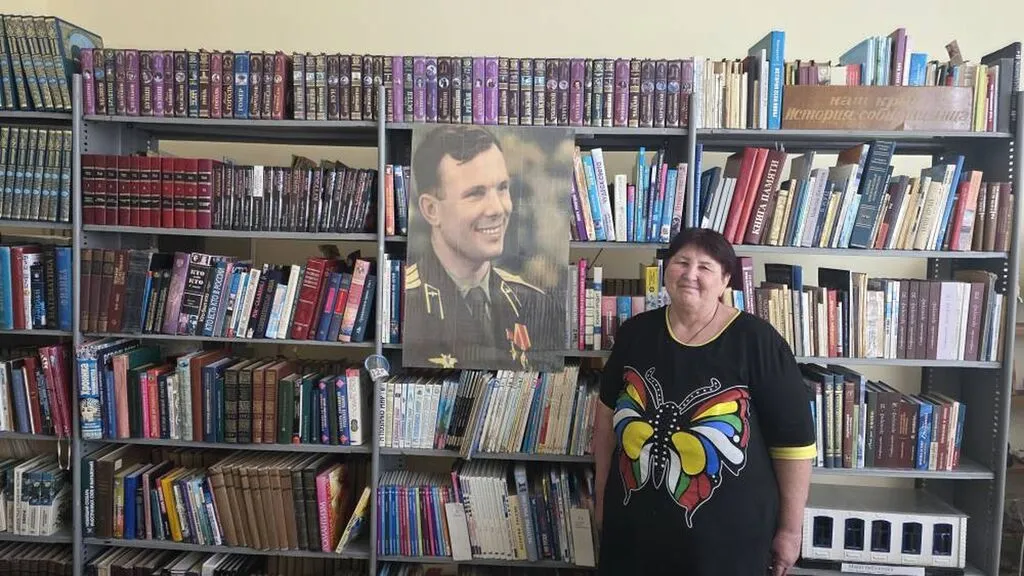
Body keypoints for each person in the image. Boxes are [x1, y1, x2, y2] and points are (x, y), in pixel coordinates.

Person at [593, 227, 816, 576]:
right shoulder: (635, 333)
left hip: (728, 542)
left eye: (705, 267)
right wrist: (601, 498)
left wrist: (790, 531)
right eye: (681, 262)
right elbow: (606, 422)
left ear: (726, 280)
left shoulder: (759, 342)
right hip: (634, 531)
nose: (690, 274)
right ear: (666, 270)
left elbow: (794, 445)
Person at [403, 124, 560, 371]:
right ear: (431, 210)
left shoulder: (536, 305)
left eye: (502, 188)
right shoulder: (405, 302)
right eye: (475, 193)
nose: (497, 209)